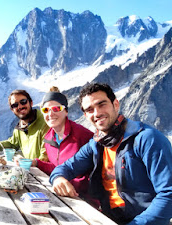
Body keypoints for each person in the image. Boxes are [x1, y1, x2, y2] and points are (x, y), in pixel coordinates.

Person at [50, 83, 172, 225]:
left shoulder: (147, 139)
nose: (97, 113)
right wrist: (58, 178)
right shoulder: (97, 143)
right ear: (85, 115)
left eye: (102, 104)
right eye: (90, 110)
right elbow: (66, 167)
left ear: (116, 104)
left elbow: (168, 194)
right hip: (108, 218)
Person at [31, 86, 93, 196]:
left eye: (56, 109)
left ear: (66, 111)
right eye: (46, 110)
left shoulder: (83, 135)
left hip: (85, 198)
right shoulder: (48, 138)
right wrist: (36, 163)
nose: (50, 114)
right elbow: (57, 166)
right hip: (63, 195)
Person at [0, 89, 49, 160]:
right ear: (12, 110)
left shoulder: (45, 122)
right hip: (30, 168)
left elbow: (46, 155)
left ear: (31, 103)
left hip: (43, 170)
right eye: (15, 105)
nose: (20, 107)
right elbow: (12, 144)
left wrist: (31, 165)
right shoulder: (20, 127)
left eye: (23, 102)